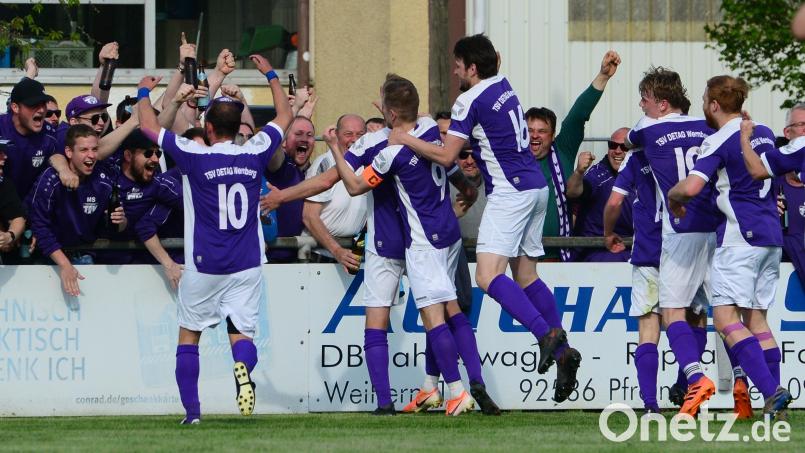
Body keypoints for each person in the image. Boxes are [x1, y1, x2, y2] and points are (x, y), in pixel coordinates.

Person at [388, 34, 580, 403]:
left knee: (488, 276)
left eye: (459, 64)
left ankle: (546, 335)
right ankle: (562, 352)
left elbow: (447, 157)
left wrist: (404, 138)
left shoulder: (468, 99)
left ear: (473, 68)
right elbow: (494, 63)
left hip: (510, 192)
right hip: (537, 187)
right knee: (526, 275)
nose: (456, 70)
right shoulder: (503, 84)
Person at [135, 51, 292, 424]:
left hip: (205, 264)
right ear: (239, 126)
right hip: (246, 264)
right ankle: (243, 369)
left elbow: (146, 128)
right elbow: (285, 116)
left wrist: (143, 92)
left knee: (189, 337)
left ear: (208, 129)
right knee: (243, 336)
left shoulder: (193, 154)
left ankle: (193, 415)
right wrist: (270, 74)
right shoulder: (254, 151)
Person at [328, 73, 498, 416]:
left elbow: (354, 186)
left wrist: (335, 147)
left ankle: (454, 391)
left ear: (390, 114)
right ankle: (435, 387)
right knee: (452, 311)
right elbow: (446, 164)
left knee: (429, 318)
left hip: (418, 242)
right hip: (447, 233)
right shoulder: (431, 130)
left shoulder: (390, 153)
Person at [668, 75, 793, 419]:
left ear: (713, 105)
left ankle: (771, 392)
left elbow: (693, 187)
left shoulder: (720, 139)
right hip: (770, 237)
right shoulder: (763, 130)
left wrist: (672, 196)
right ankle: (775, 410)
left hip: (740, 239)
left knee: (724, 319)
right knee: (758, 322)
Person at [623, 66, 717, 416]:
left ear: (661, 104)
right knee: (708, 317)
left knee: (653, 323)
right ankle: (737, 387)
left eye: (645, 99)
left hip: (664, 240)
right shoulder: (707, 128)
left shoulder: (647, 131)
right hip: (709, 234)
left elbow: (629, 144)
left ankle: (654, 403)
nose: (641, 105)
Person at [525, 50, 621, 261]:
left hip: (558, 257)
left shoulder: (562, 151)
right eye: (530, 130)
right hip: (519, 257)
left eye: (541, 131)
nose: (534, 136)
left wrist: (603, 76)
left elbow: (578, 116)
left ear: (552, 136)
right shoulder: (515, 158)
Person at [28, 124, 127, 295]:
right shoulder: (51, 180)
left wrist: (122, 221)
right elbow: (40, 226)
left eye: (95, 149)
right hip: (48, 258)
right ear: (68, 152)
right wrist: (65, 265)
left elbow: (111, 229)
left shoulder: (104, 181)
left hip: (84, 256)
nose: (91, 155)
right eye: (83, 150)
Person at [603, 149, 662, 414]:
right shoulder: (695, 144)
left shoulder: (638, 157)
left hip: (650, 249)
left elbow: (615, 202)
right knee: (690, 320)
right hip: (688, 250)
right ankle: (690, 388)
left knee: (648, 330)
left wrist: (608, 233)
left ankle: (651, 404)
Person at [303, 114, 368, 270]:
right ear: (337, 136)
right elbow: (309, 216)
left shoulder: (369, 166)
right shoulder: (325, 163)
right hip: (319, 257)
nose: (355, 139)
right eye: (348, 134)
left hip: (351, 256)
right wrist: (337, 250)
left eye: (360, 134)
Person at [566, 128, 633, 262]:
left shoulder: (646, 174)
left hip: (633, 250)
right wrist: (579, 172)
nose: (618, 151)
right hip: (598, 252)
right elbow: (572, 192)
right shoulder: (599, 174)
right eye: (612, 145)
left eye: (624, 147)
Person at [265, 116, 316, 262]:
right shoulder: (281, 165)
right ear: (284, 141)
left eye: (310, 135)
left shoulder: (310, 170)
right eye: (298, 134)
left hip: (296, 257)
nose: (304, 139)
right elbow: (273, 147)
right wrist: (289, 111)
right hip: (270, 258)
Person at [0, 77, 58, 201]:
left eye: (43, 103)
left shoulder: (49, 134)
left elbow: (58, 155)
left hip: (30, 211)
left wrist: (64, 169)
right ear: (15, 108)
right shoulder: (1, 128)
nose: (42, 110)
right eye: (34, 105)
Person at [0, 142, 26, 263]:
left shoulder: (4, 184)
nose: (4, 157)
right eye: (0, 153)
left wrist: (9, 236)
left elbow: (17, 218)